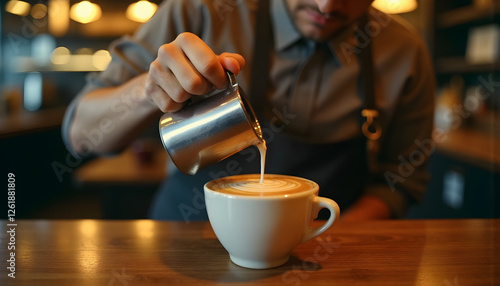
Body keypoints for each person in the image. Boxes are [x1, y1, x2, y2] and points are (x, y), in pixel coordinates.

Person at [62, 0, 435, 222]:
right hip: (185, 238)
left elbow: (402, 179)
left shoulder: (403, 51)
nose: (327, 6)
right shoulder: (204, 11)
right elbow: (81, 133)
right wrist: (148, 90)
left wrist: (327, 236)